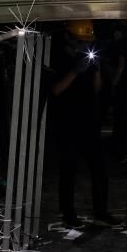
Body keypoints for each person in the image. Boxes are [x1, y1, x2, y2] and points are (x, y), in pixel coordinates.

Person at [49, 19, 117, 228]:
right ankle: (68, 213)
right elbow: (55, 90)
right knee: (68, 170)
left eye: (87, 42)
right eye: (80, 41)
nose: (84, 46)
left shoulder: (86, 59)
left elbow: (96, 90)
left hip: (90, 122)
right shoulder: (57, 58)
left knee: (99, 168)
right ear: (69, 37)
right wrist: (75, 72)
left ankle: (101, 212)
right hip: (66, 123)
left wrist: (95, 70)